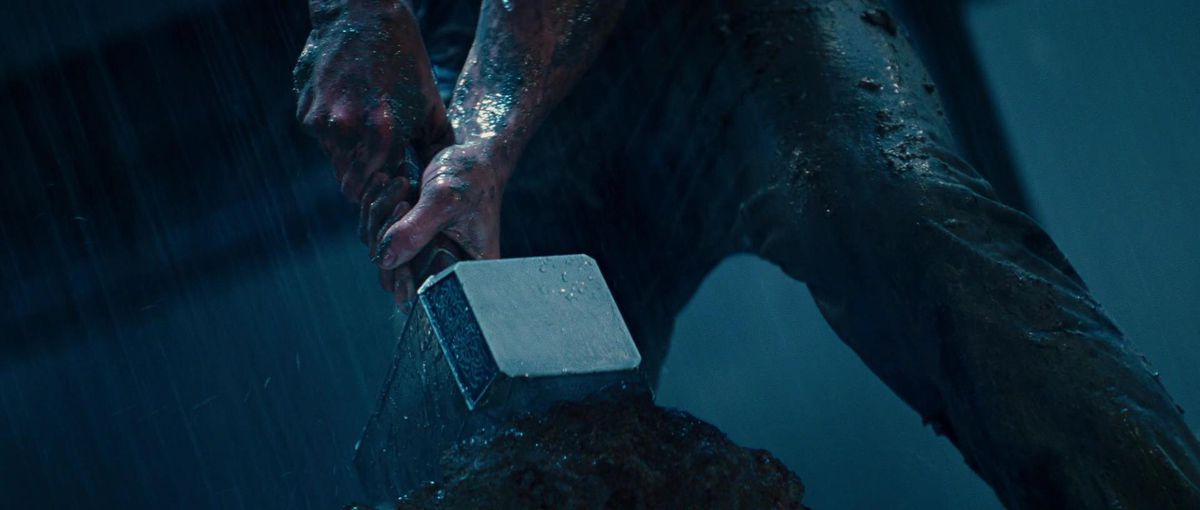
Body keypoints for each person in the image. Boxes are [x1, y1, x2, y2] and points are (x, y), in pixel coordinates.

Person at [292, 0, 1200, 507]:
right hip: (479, 40)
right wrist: (351, 18)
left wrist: (485, 137)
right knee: (494, 440)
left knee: (910, 233)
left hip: (744, 17)